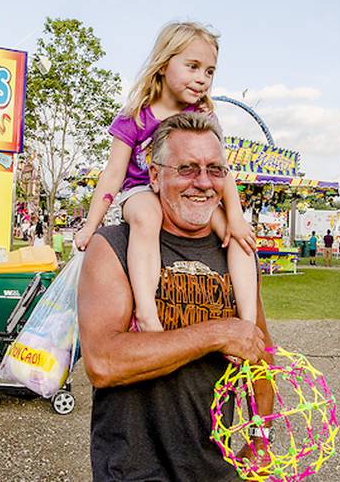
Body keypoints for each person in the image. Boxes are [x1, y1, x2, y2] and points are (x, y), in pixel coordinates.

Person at [78, 111, 274, 480]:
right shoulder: (114, 247)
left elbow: (258, 351)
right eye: (187, 168)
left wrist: (261, 436)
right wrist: (218, 333)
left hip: (216, 469)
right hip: (134, 471)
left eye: (215, 170)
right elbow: (104, 363)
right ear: (155, 175)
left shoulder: (236, 253)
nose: (203, 182)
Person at [71, 21, 258, 333]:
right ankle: (146, 313)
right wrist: (91, 225)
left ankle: (249, 321)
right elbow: (113, 174)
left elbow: (219, 170)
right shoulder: (136, 116)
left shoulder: (204, 116)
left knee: (239, 238)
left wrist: (235, 216)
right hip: (141, 189)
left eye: (209, 71)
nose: (202, 79)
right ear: (163, 64)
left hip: (187, 192)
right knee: (147, 215)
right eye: (193, 66)